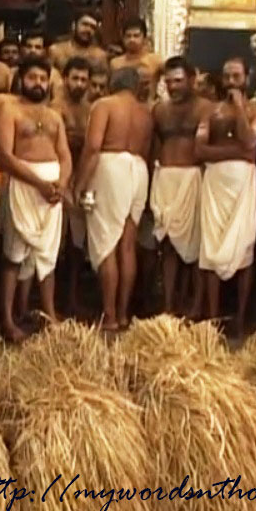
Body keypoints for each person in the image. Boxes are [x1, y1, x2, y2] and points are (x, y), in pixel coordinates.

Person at [0, 56, 72, 342]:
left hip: (52, 190)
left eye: (43, 79)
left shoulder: (54, 116)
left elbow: (64, 154)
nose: (38, 83)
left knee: (48, 254)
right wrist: (39, 183)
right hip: (25, 185)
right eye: (32, 78)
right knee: (14, 254)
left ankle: (49, 315)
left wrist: (61, 184)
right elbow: (4, 156)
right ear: (21, 80)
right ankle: (7, 320)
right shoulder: (9, 110)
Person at [194, 57, 256, 339]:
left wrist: (239, 109)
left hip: (243, 188)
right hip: (215, 183)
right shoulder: (210, 112)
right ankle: (213, 317)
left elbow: (250, 140)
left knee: (243, 246)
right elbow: (199, 151)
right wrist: (237, 154)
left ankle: (239, 317)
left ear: (247, 78)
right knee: (211, 246)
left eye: (236, 76)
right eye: (226, 77)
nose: (230, 82)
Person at [76, 67, 152, 331]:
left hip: (111, 166)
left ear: (112, 83)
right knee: (128, 245)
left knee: (107, 241)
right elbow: (146, 149)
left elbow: (94, 146)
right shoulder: (146, 112)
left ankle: (108, 315)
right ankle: (123, 314)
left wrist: (80, 183)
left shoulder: (104, 105)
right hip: (139, 169)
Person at [150, 56, 212, 315]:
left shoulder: (206, 108)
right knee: (167, 245)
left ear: (191, 79)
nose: (173, 87)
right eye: (168, 82)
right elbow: (153, 145)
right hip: (164, 178)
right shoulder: (159, 110)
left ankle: (196, 306)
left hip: (193, 178)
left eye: (178, 81)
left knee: (196, 247)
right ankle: (167, 307)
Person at [50, 56, 91, 318]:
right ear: (65, 80)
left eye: (83, 79)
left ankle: (72, 299)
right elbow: (57, 144)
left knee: (77, 247)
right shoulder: (55, 107)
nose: (79, 83)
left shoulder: (90, 109)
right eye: (75, 78)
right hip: (57, 179)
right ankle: (49, 302)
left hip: (81, 179)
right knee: (55, 245)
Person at [110, 17, 164, 103]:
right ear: (123, 38)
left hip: (148, 109)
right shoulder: (115, 63)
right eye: (128, 36)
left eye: (136, 36)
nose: (132, 40)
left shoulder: (155, 60)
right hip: (122, 108)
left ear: (145, 38)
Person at [9, 30, 64, 99]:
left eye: (37, 47)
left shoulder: (54, 75)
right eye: (29, 46)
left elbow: (57, 101)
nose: (33, 50)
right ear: (22, 49)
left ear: (45, 51)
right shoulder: (12, 72)